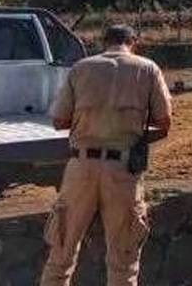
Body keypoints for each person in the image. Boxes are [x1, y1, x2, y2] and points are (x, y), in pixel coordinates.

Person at [39, 24, 173, 286]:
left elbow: (58, 120)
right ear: (133, 42)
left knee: (61, 253)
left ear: (105, 42)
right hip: (123, 170)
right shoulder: (147, 68)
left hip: (81, 166)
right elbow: (164, 120)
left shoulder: (81, 68)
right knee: (123, 260)